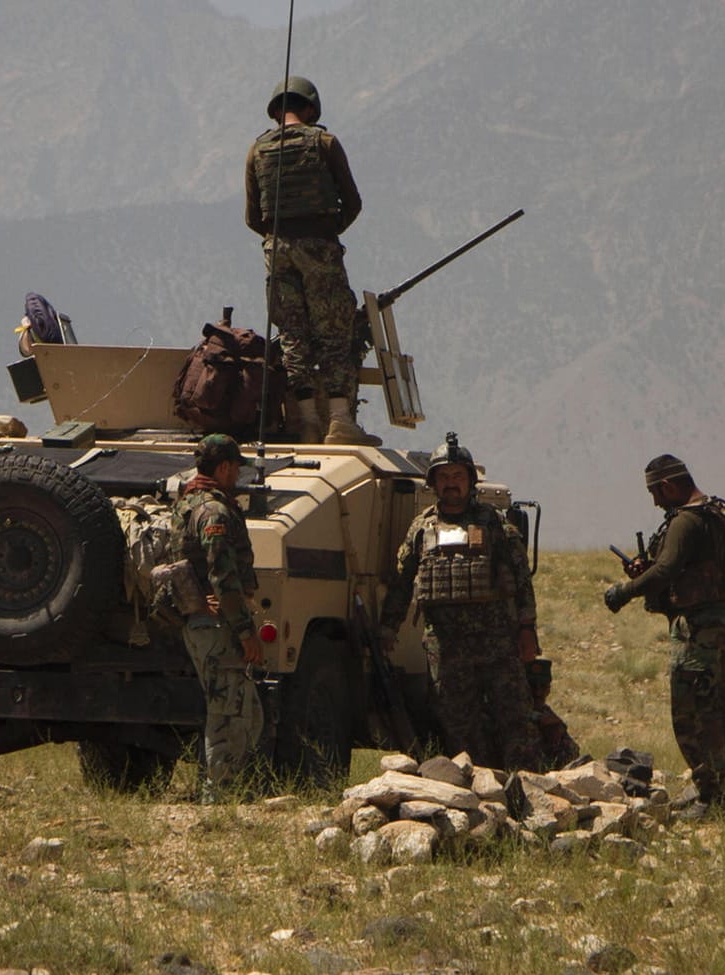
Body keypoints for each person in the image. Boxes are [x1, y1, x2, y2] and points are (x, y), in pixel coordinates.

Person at [377, 432, 542, 771]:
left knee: (514, 718)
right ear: (434, 483)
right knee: (458, 723)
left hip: (496, 640)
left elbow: (522, 581)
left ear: (470, 481)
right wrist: (388, 628)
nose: (451, 484)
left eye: (458, 476)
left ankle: (528, 790)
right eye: (444, 477)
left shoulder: (496, 525)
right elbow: (400, 583)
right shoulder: (421, 529)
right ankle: (477, 793)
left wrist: (527, 629)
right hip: (446, 646)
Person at [603, 454, 725, 821]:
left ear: (669, 486)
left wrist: (625, 590)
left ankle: (711, 797)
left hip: (698, 632)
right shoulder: (721, 511)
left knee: (692, 716)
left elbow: (667, 569)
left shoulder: (686, 521)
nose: (655, 501)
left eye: (655, 492)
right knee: (719, 710)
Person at [245, 75, 379, 447]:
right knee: (334, 332)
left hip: (278, 252)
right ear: (309, 108)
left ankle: (306, 422)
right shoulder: (325, 143)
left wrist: (282, 240)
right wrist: (324, 233)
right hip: (319, 248)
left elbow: (253, 217)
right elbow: (352, 202)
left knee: (293, 337)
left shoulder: (257, 151)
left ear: (275, 112)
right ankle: (339, 421)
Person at [170, 433, 266, 799]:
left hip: (202, 623)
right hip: (218, 624)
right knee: (228, 712)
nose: (238, 476)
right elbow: (223, 577)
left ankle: (229, 786)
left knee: (245, 710)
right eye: (236, 468)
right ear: (225, 467)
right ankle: (220, 795)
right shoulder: (214, 511)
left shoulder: (185, 504)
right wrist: (245, 633)